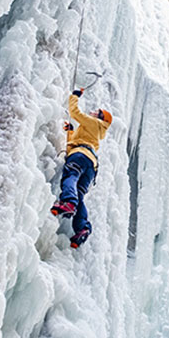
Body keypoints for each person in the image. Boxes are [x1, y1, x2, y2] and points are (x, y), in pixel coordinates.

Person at [51, 87, 112, 248]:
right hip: (91, 165)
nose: (92, 112)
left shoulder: (94, 123)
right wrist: (71, 132)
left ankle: (68, 202)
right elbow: (78, 141)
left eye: (96, 111)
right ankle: (82, 227)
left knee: (70, 176)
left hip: (80, 155)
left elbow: (75, 112)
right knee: (80, 194)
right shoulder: (96, 130)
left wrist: (74, 96)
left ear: (101, 117)